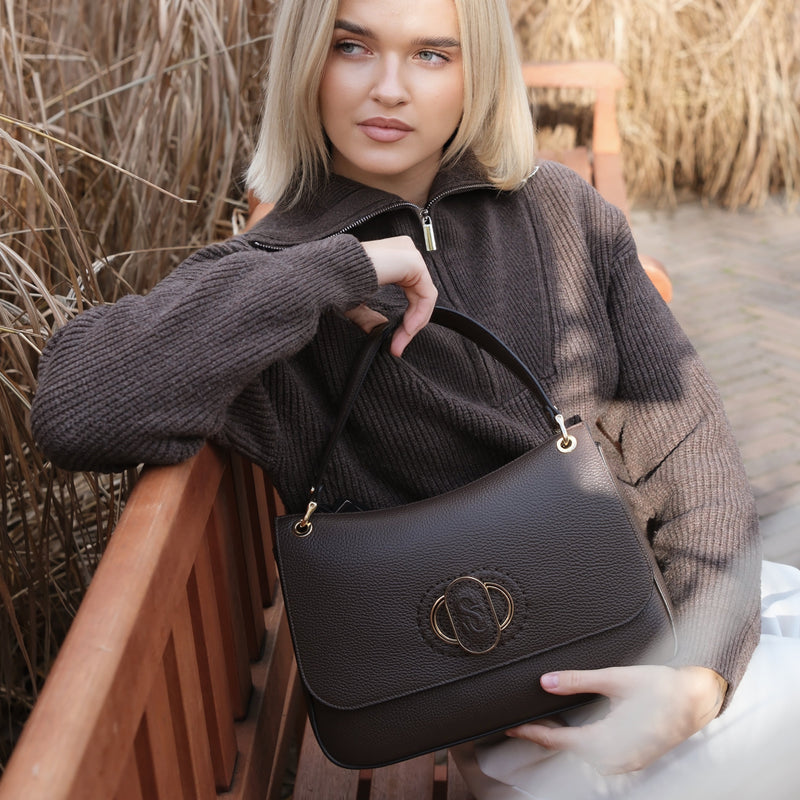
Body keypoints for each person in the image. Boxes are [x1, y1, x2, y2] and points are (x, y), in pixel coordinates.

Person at [29, 0, 800, 796]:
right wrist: (340, 269)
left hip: (689, 631)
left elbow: (691, 449)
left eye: (433, 54)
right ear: (306, 61)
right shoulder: (270, 279)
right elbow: (74, 409)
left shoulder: (560, 211)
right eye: (352, 46)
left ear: (477, 74)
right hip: (545, 719)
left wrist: (701, 675)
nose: (389, 88)